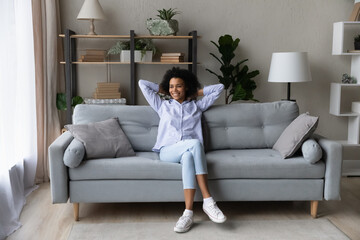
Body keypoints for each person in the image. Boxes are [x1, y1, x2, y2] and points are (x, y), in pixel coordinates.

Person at [138, 67, 226, 233]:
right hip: (167, 151)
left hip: (189, 152)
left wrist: (196, 92)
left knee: (188, 156)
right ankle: (208, 200)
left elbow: (219, 88)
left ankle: (188, 213)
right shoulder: (162, 105)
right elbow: (142, 84)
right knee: (195, 144)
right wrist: (163, 89)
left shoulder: (197, 106)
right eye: (171, 86)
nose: (174, 90)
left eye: (179, 86)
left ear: (186, 87)